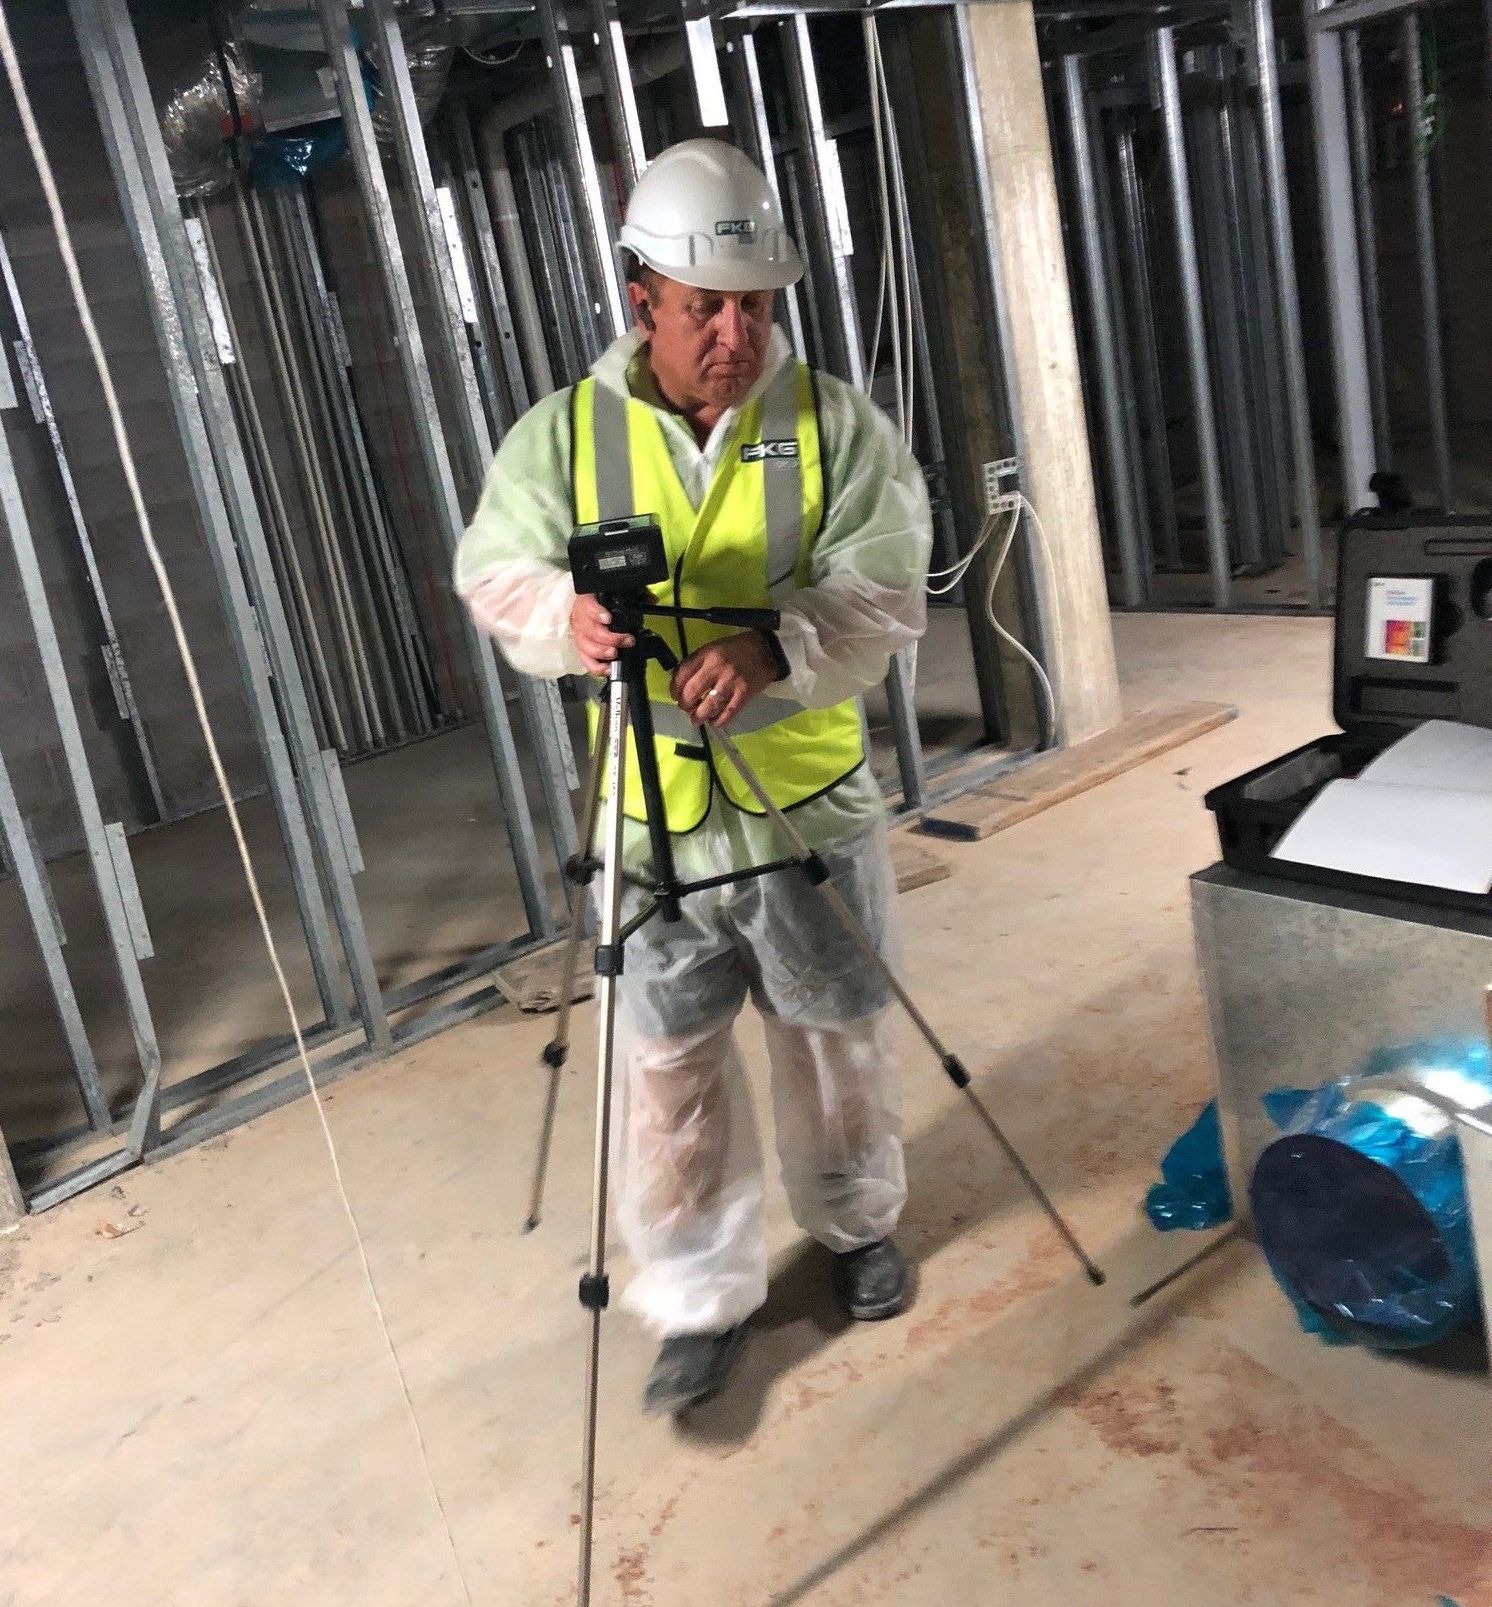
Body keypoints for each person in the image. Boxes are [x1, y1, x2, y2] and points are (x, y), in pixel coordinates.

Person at [456, 138, 932, 1417]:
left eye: (755, 304)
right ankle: (699, 1294)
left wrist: (774, 643)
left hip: (808, 798)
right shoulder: (562, 434)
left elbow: (889, 586)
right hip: (650, 819)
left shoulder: (836, 424)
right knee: (669, 1072)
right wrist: (572, 623)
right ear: (641, 297)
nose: (733, 332)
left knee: (835, 1040)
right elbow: (497, 573)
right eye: (705, 305)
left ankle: (853, 1226)